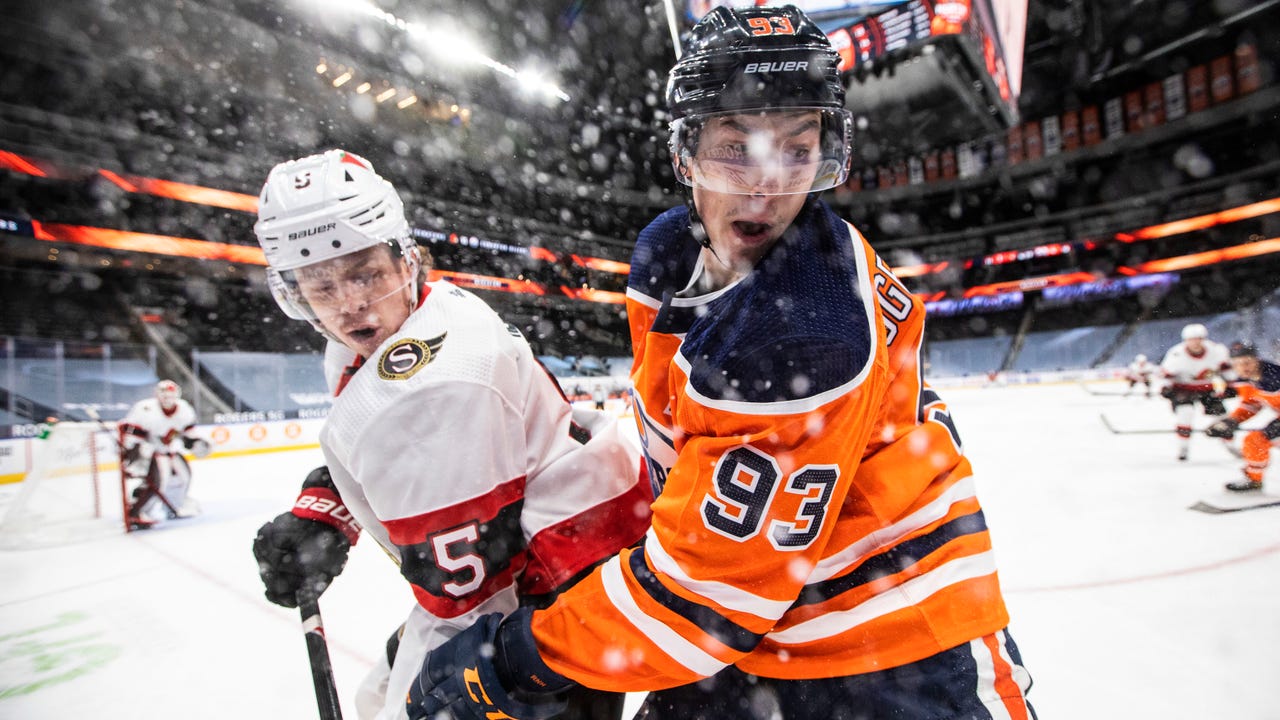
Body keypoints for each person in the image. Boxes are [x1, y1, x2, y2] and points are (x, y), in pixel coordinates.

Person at [407, 7, 1034, 720]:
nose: (767, 186)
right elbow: (685, 461)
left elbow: (702, 600)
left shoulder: (802, 330)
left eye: (797, 148)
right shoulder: (668, 252)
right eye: (736, 147)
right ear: (687, 151)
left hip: (901, 651)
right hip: (751, 632)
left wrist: (521, 657)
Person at [247, 149, 652, 720]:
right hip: (560, 550)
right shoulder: (398, 328)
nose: (350, 305)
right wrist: (325, 511)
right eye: (322, 286)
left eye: (365, 273)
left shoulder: (432, 388)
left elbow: (470, 606)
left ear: (404, 260)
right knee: (376, 698)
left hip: (560, 590)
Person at [118, 379, 209, 529]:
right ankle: (136, 511)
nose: (168, 399)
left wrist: (195, 442)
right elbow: (131, 433)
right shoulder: (145, 409)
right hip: (151, 453)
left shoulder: (183, 409)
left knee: (183, 477)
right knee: (158, 482)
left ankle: (174, 506)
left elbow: (188, 432)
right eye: (164, 395)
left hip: (170, 451)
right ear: (157, 395)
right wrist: (133, 455)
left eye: (171, 396)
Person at [1206, 343, 1280, 492]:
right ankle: (1254, 480)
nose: (1243, 367)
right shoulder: (1245, 380)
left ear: (1257, 360)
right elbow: (1251, 404)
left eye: (1247, 362)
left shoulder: (1274, 377)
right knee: (1254, 441)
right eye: (1237, 364)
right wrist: (1231, 421)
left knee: (1260, 438)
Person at [1160, 323, 1232, 461]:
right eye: (1191, 339)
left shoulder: (1215, 350)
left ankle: (1230, 444)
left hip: (1207, 388)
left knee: (1222, 416)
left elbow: (1227, 370)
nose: (1195, 343)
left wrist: (1231, 384)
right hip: (1183, 389)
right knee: (1185, 413)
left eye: (1198, 339)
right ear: (1186, 341)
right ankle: (1183, 447)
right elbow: (1165, 375)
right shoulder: (1176, 354)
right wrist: (1165, 388)